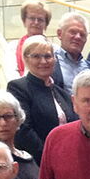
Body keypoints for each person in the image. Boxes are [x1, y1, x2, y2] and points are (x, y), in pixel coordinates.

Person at [7, 35, 77, 164]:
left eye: (48, 56)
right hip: (38, 162)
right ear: (26, 59)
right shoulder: (18, 88)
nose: (43, 61)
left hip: (68, 160)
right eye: (36, 56)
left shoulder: (63, 94)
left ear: (54, 59)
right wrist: (50, 157)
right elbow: (23, 131)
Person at [7, 0, 51, 77]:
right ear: (24, 21)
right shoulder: (13, 47)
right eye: (32, 18)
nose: (36, 22)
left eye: (40, 19)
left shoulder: (53, 49)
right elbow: (10, 75)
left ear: (46, 24)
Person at [51, 13, 90, 95]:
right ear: (59, 34)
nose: (78, 37)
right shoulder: (49, 64)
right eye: (73, 32)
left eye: (82, 34)